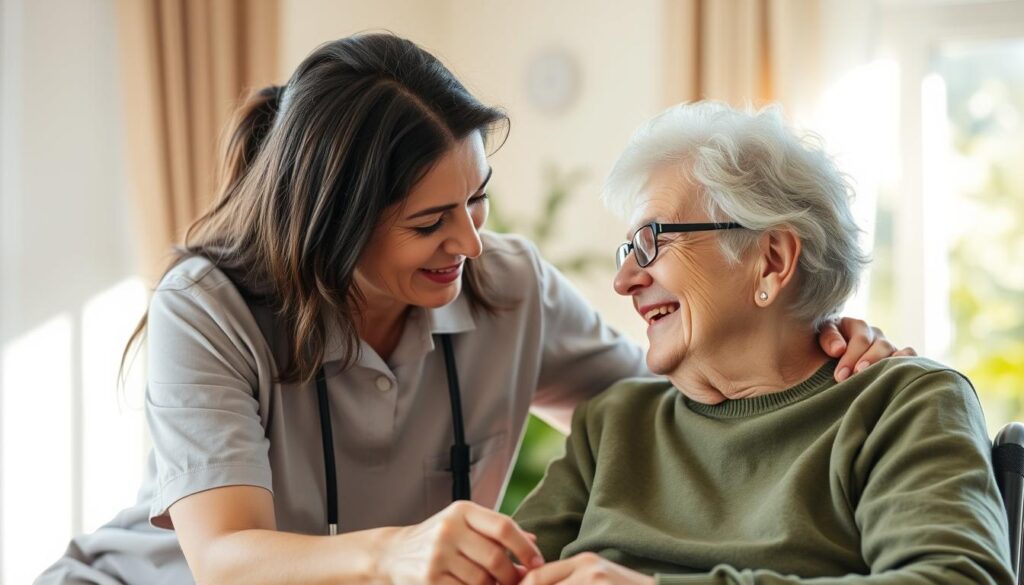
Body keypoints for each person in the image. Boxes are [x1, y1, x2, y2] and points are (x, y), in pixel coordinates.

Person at [37, 35, 906, 585]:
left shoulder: (507, 287)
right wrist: (397, 551)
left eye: (476, 201)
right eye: (428, 222)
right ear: (334, 226)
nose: (470, 242)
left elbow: (683, 392)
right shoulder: (212, 305)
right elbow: (225, 559)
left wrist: (817, 339)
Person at [511, 101, 1013, 585]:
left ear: (771, 260)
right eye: (628, 250)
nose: (624, 280)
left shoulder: (899, 405)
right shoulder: (614, 422)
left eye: (651, 242)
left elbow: (953, 577)